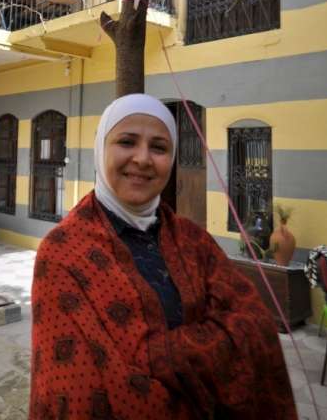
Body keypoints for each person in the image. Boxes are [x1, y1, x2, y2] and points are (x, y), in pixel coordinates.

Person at [30, 94, 297, 419]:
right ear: (101, 149)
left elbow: (255, 325)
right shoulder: (63, 253)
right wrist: (210, 350)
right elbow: (78, 391)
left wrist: (152, 356)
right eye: (127, 142)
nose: (143, 159)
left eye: (159, 147)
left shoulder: (194, 241)